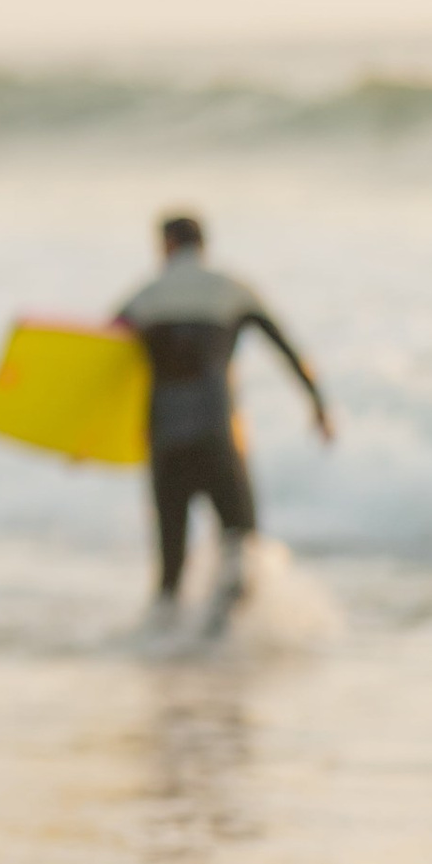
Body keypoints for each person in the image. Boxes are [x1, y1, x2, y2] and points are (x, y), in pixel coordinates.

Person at [118, 211, 334, 633]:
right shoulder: (231, 290)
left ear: (166, 245)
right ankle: (223, 641)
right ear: (203, 244)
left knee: (171, 562)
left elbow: (100, 364)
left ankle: (163, 648)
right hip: (218, 434)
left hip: (165, 439)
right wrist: (318, 405)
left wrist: (77, 439)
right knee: (242, 547)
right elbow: (286, 348)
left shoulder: (144, 297)